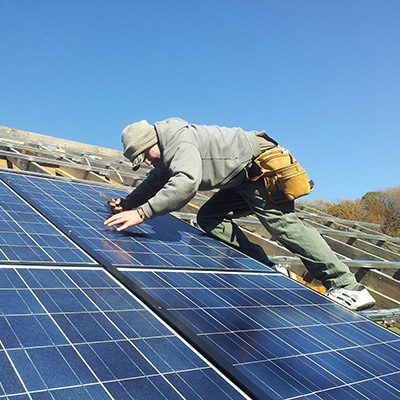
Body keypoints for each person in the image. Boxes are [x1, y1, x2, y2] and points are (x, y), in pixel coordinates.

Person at [104, 118, 376, 311]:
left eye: (146, 156)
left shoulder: (178, 142)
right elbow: (155, 181)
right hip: (241, 179)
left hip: (261, 170)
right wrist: (128, 202)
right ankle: (266, 266)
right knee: (209, 217)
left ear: (152, 142)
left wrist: (142, 213)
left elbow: (186, 182)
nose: (148, 162)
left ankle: (347, 285)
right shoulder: (166, 150)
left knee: (282, 225)